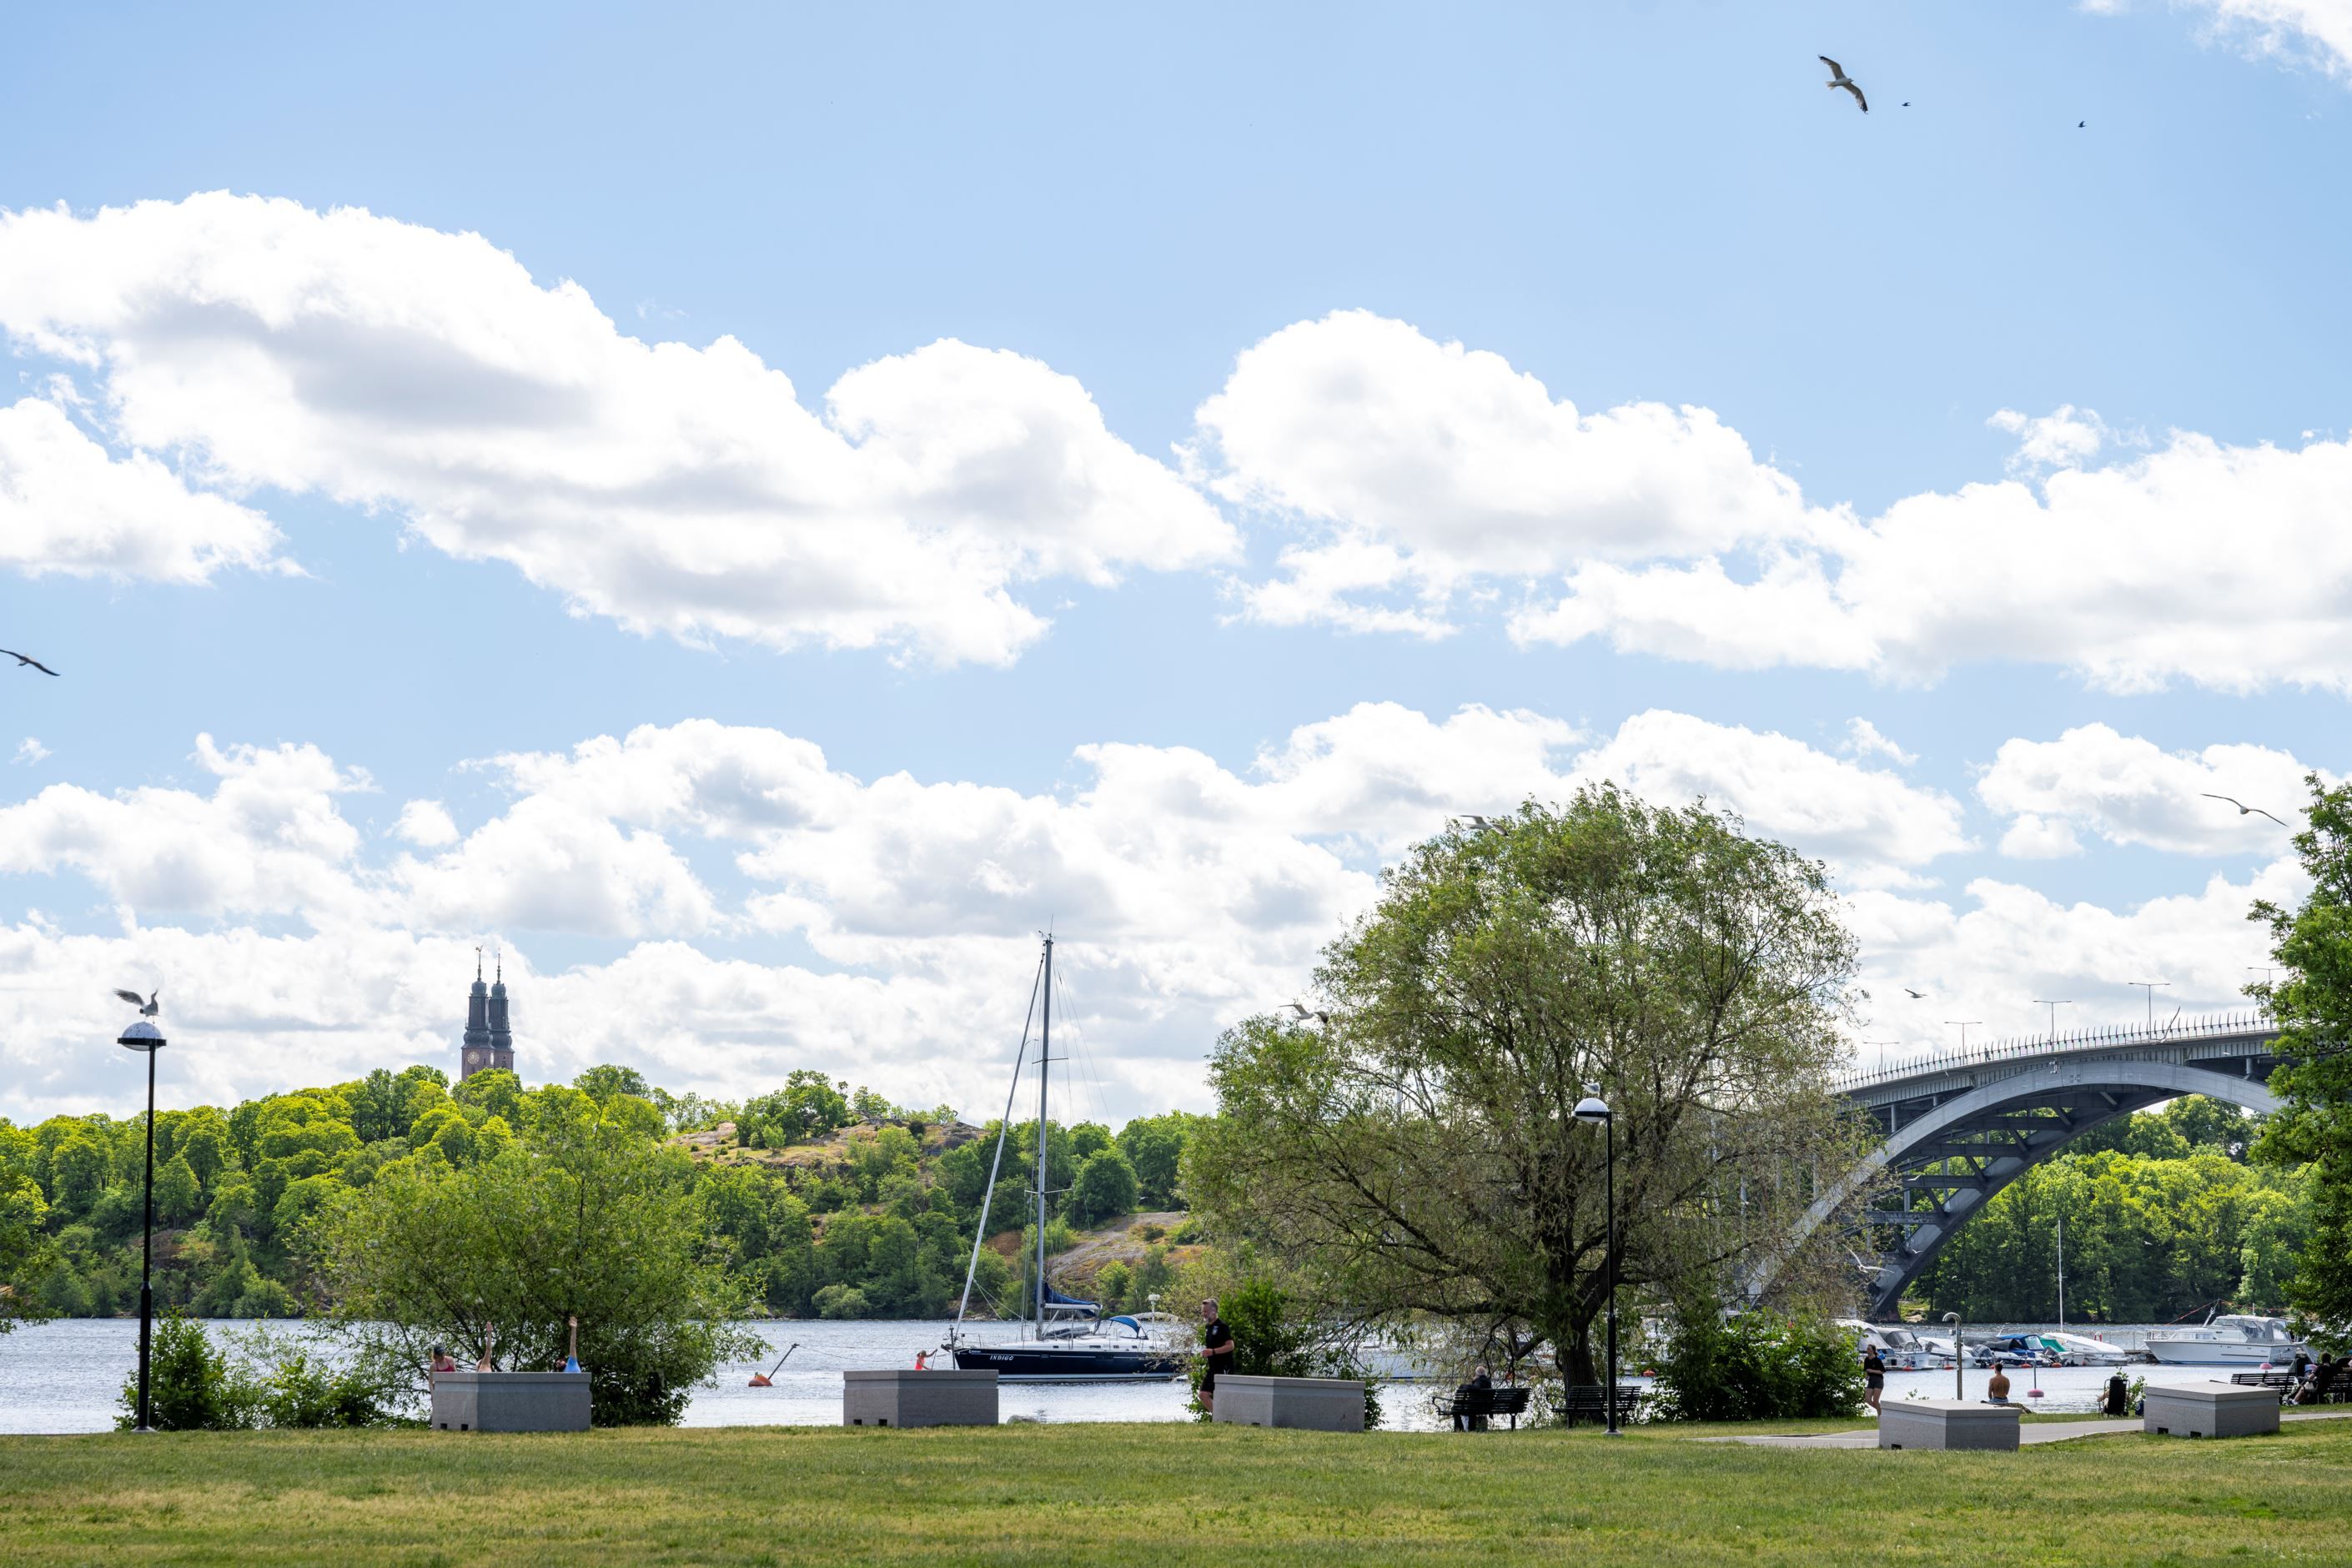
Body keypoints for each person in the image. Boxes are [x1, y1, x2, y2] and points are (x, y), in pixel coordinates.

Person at [1198, 1298, 1234, 1416]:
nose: (1204, 1314)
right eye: (1203, 1311)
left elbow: (1230, 1346)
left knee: (1223, 1397)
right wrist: (1206, 1353)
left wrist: (1213, 1351)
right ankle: (1218, 1417)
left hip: (1224, 1367)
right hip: (1213, 1368)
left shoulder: (1222, 1327)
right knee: (1203, 1394)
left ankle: (1224, 1419)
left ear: (1214, 1311)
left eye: (1206, 1311)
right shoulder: (1208, 1328)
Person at [1453, 1364, 1495, 1431]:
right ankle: (1470, 1429)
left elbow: (1476, 1388)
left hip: (1476, 1407)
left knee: (1455, 1409)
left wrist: (1464, 1386)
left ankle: (1460, 1429)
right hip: (1486, 1407)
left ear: (1477, 1374)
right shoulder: (1488, 1382)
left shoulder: (1479, 1381)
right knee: (1471, 1409)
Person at [1862, 1346, 1887, 1415]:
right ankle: (1882, 1412)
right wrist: (1866, 1376)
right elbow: (1866, 1370)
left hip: (1878, 1380)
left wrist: (1872, 1371)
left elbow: (1883, 1371)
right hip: (1871, 1380)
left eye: (1869, 1349)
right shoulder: (1866, 1359)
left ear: (1873, 1351)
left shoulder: (1877, 1360)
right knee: (1867, 1399)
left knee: (1875, 1400)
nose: (1867, 1350)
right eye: (1867, 1348)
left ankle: (1880, 1415)